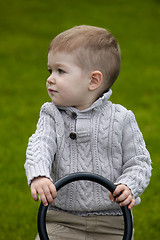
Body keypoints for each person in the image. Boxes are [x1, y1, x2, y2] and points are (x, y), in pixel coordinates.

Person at [24, 25, 152, 240]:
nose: (50, 78)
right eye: (50, 70)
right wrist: (39, 174)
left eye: (60, 71)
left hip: (112, 222)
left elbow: (139, 162)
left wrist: (129, 185)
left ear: (93, 80)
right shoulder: (51, 114)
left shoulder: (122, 118)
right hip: (61, 219)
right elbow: (40, 144)